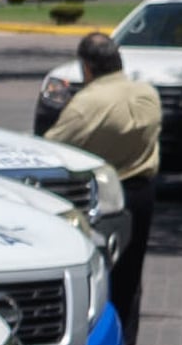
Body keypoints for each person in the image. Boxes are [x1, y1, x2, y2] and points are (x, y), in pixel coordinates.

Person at [49, 32, 165, 329]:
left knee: (98, 278)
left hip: (102, 199)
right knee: (131, 278)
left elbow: (51, 150)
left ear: (87, 67)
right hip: (142, 192)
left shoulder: (87, 104)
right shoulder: (147, 94)